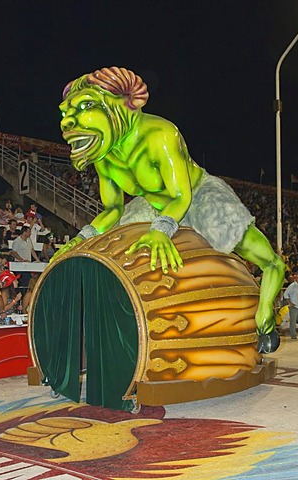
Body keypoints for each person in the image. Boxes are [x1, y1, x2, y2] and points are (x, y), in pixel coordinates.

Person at [55, 66, 285, 353]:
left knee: (269, 260)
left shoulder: (160, 133)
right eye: (66, 112)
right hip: (154, 204)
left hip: (197, 193)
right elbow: (113, 209)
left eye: (85, 106)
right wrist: (82, 238)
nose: (67, 122)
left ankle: (264, 317)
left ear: (122, 104)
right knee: (113, 245)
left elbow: (181, 194)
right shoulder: (105, 155)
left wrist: (162, 230)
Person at [283, 272, 298, 340]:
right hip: (294, 306)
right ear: (296, 278)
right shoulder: (292, 286)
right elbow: (285, 294)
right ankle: (293, 335)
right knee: (293, 322)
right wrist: (290, 303)